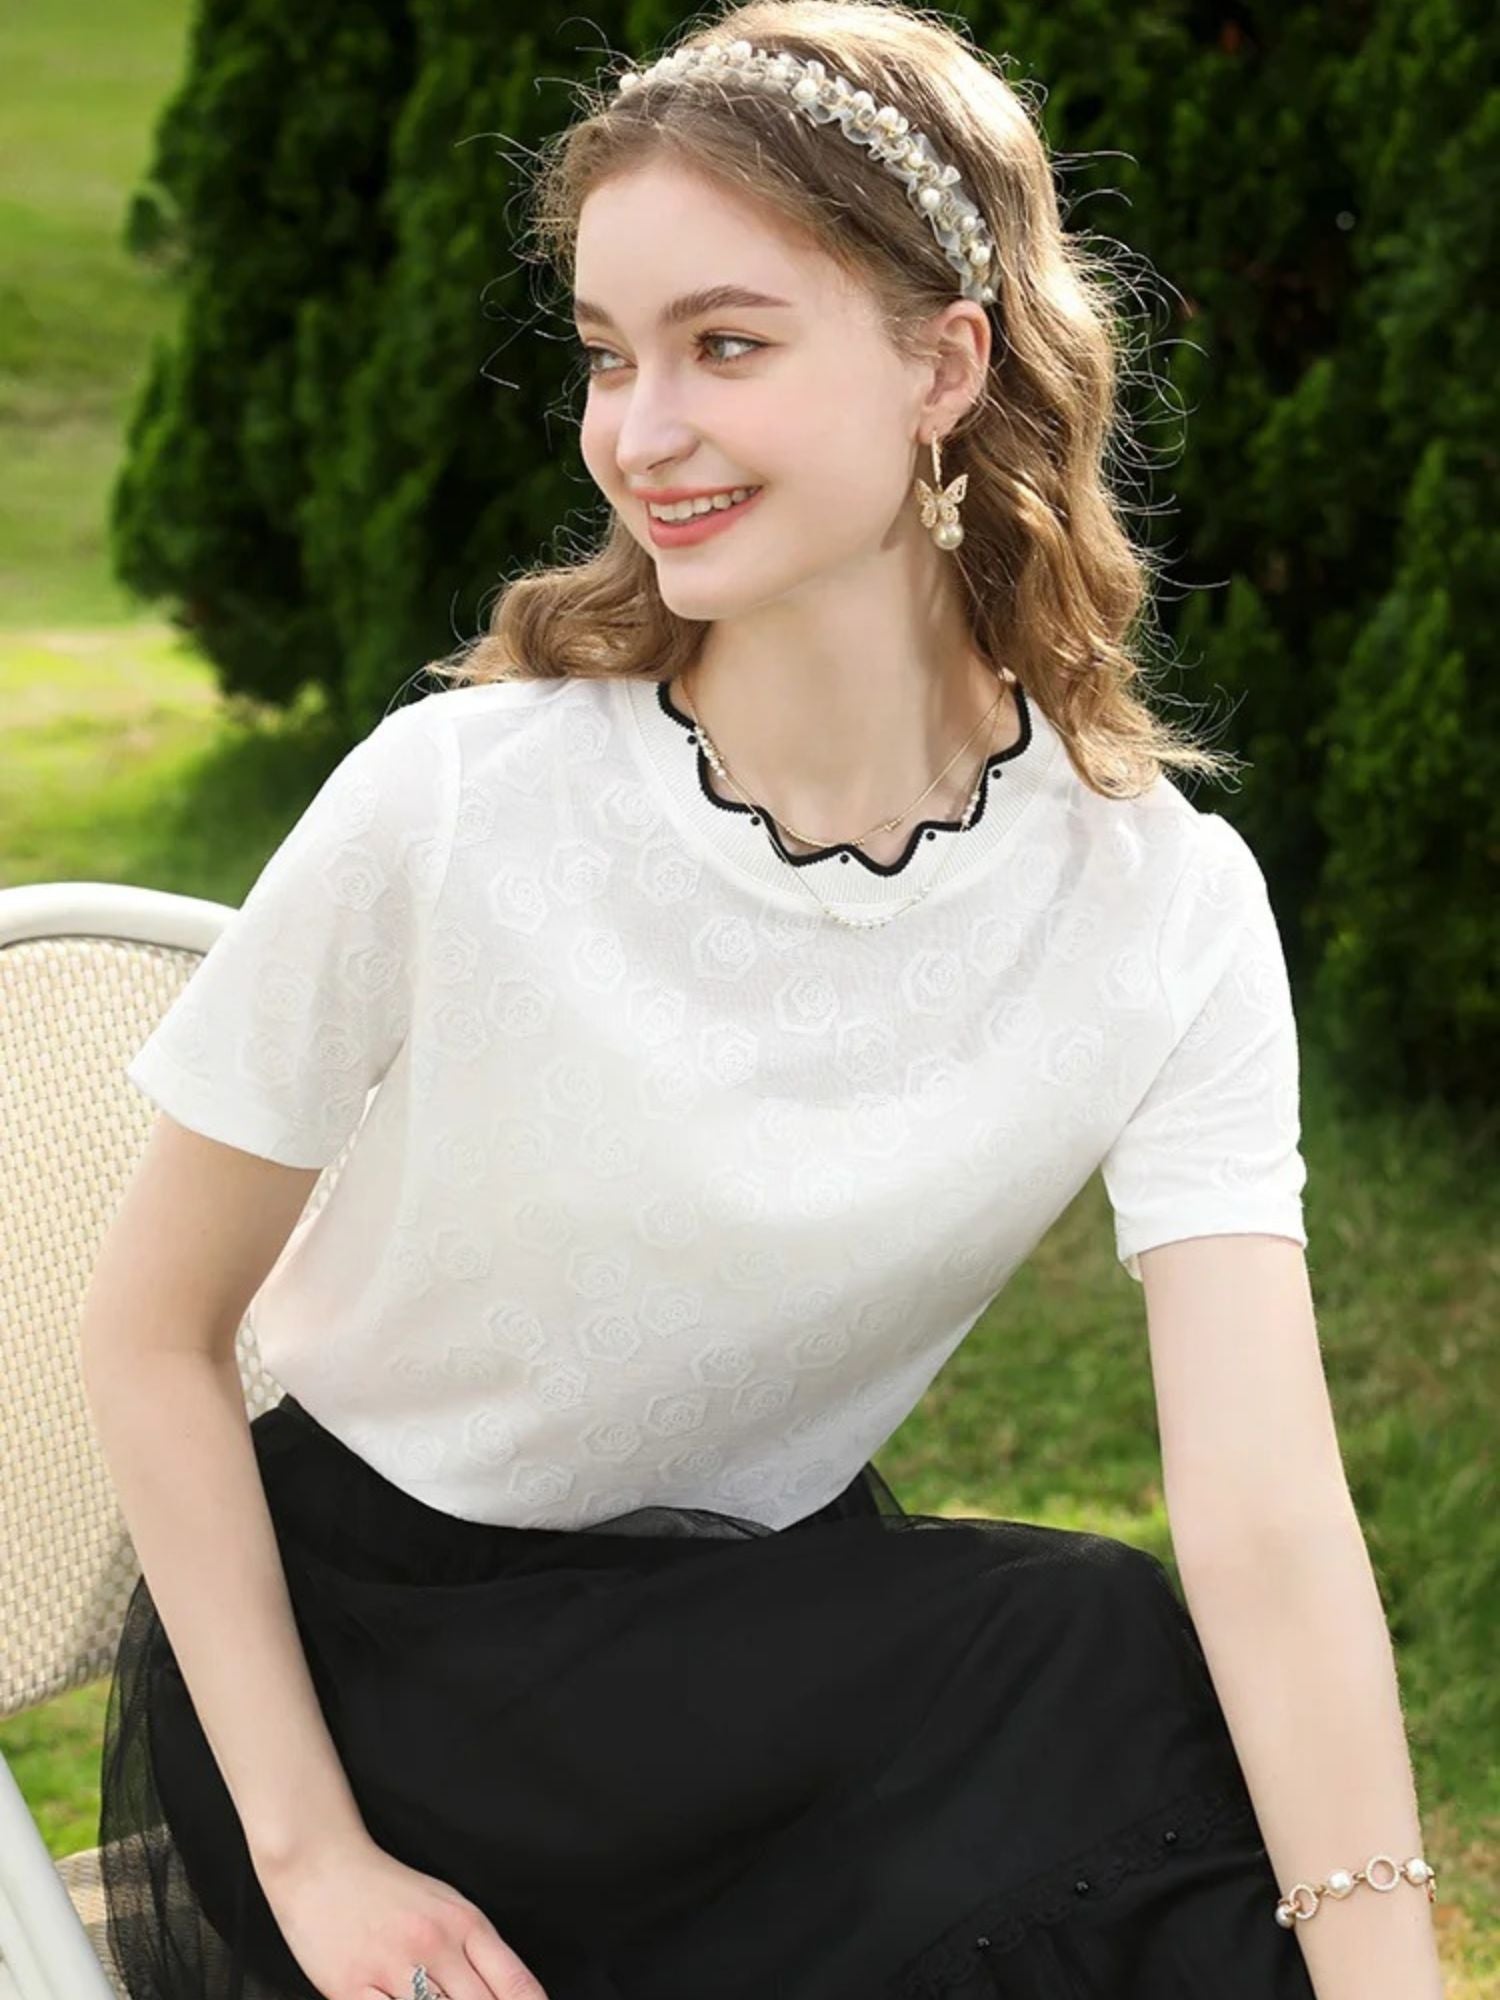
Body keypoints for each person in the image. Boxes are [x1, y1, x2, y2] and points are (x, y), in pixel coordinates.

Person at [79, 5, 1443, 2000]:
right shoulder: (461, 804)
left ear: (942, 366)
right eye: (612, 357)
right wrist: (318, 1859)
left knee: (1111, 1660)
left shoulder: (1164, 908)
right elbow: (149, 1336)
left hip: (752, 1646)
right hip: (376, 1682)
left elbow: (1263, 1513)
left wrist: (1384, 1967)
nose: (643, 430)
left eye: (727, 345)